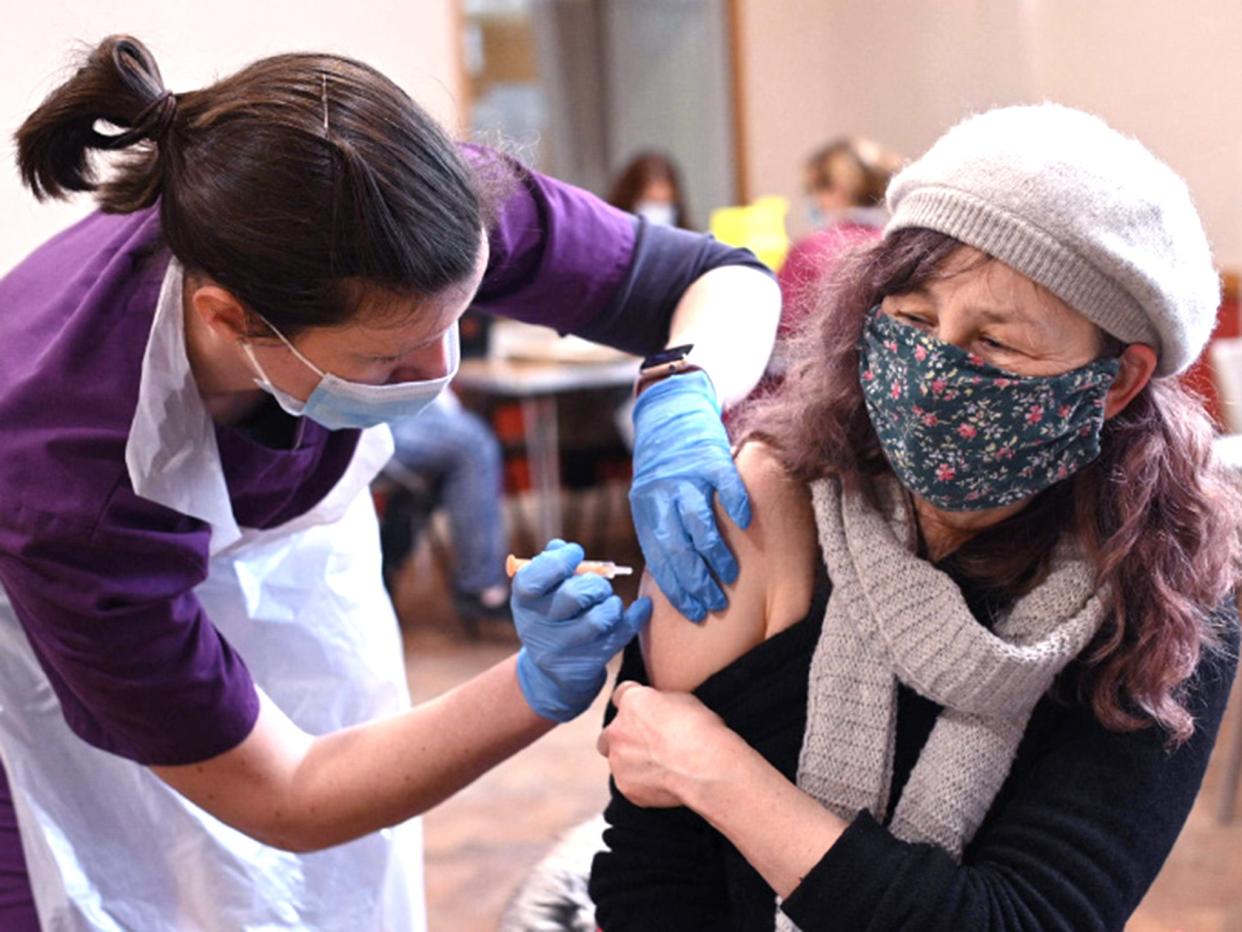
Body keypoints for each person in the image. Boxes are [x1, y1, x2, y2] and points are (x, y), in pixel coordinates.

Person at [0, 36, 779, 930]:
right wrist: (528, 687)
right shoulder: (69, 475)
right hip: (43, 651)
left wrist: (683, 390)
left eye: (457, 321)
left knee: (339, 895)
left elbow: (717, 277)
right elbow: (286, 796)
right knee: (123, 889)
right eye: (389, 358)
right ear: (233, 320)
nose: (440, 370)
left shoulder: (411, 208)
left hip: (291, 562)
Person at [592, 104, 1242, 931]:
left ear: (1116, 380)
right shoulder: (765, 505)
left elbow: (1028, 921)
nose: (936, 373)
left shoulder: (1163, 598)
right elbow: (653, 885)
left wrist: (719, 774)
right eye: (912, 320)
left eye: (997, 344)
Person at [384, 390, 512, 621]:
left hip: (393, 413)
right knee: (470, 445)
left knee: (459, 443)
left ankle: (387, 560)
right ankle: (481, 587)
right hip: (362, 426)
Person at [775, 138, 901, 360]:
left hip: (816, 383)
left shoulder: (811, 250)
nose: (813, 201)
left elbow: (780, 333)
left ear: (839, 190)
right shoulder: (896, 245)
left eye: (813, 189)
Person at [607, 151, 693, 230]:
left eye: (663, 204)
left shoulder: (691, 242)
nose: (658, 212)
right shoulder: (610, 239)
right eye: (650, 202)